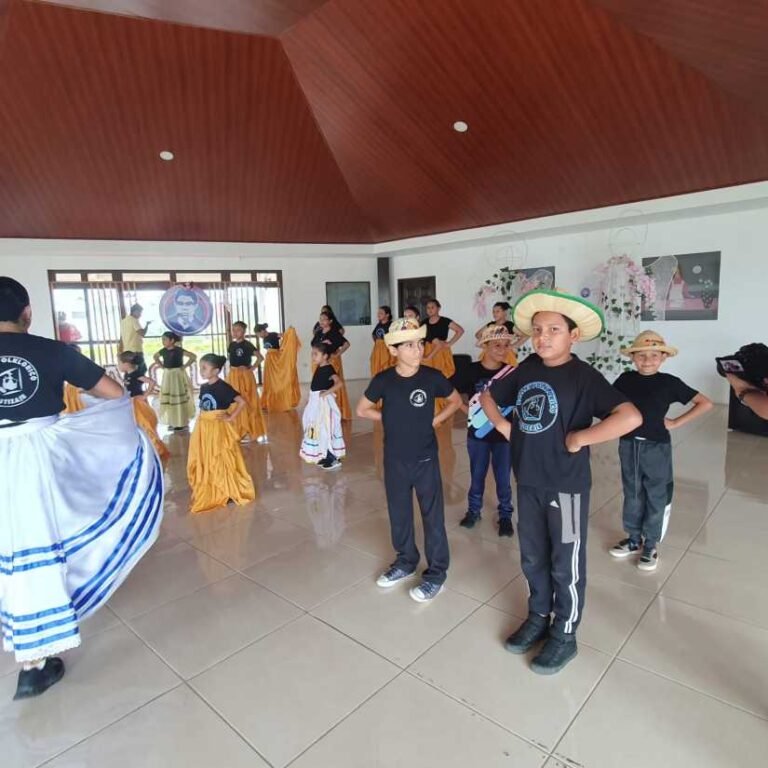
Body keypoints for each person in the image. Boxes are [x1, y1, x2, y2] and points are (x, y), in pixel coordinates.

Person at [0, 277, 163, 700]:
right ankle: (35, 661)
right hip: (40, 461)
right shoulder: (53, 351)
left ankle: (26, 647)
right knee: (42, 543)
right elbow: (113, 394)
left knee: (10, 549)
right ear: (27, 313)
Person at [480, 288, 642, 674]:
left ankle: (565, 633)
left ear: (574, 335)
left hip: (566, 487)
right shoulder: (525, 370)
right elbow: (488, 395)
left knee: (564, 562)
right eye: (537, 329)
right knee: (533, 554)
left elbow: (630, 416)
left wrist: (583, 437)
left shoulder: (584, 377)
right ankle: (539, 615)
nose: (543, 337)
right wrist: (504, 425)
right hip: (529, 480)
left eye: (554, 329)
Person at [356, 317, 462, 603]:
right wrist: (388, 418)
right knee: (399, 513)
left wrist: (436, 420)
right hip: (394, 460)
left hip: (425, 459)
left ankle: (437, 573)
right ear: (393, 351)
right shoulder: (384, 380)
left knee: (432, 516)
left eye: (419, 344)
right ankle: (405, 561)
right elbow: (362, 409)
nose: (417, 350)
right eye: (409, 345)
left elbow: (455, 400)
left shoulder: (431, 376)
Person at [609, 331, 713, 571]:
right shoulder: (625, 380)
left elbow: (705, 403)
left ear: (663, 358)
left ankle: (651, 544)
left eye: (654, 355)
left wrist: (676, 423)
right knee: (632, 493)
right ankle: (634, 539)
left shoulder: (669, 383)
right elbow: (610, 404)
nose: (647, 360)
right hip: (628, 445)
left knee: (656, 495)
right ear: (633, 358)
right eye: (641, 355)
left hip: (657, 448)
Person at [459, 325, 516, 537]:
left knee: (503, 477)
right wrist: (466, 410)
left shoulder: (512, 373)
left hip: (504, 435)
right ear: (485, 346)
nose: (502, 349)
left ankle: (505, 515)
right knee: (477, 474)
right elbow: (450, 391)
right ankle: (474, 511)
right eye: (497, 345)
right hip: (478, 434)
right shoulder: (470, 370)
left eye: (506, 345)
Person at [187, 354, 256, 514]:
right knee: (208, 456)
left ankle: (228, 488)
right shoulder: (204, 387)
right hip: (204, 427)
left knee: (222, 457)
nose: (201, 371)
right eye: (200, 367)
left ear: (216, 370)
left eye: (204, 368)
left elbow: (242, 402)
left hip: (218, 428)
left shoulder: (223, 387)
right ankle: (212, 483)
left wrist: (231, 417)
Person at [117, 351, 170, 469]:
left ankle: (153, 447)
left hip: (138, 404)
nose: (118, 365)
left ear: (126, 364)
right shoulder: (127, 374)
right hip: (130, 403)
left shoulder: (136, 374)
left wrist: (145, 395)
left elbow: (152, 382)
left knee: (144, 425)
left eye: (119, 363)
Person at [300, 341, 346, 470]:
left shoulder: (328, 368)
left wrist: (325, 393)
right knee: (316, 427)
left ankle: (332, 458)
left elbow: (339, 383)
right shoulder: (320, 367)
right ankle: (325, 454)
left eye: (316, 354)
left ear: (325, 356)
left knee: (326, 428)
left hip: (324, 403)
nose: (313, 357)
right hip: (316, 401)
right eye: (312, 354)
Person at [421, 298, 464, 413]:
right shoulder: (424, 322)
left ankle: (445, 401)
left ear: (438, 308)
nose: (430, 310)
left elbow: (460, 330)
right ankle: (432, 403)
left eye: (432, 307)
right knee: (428, 376)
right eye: (428, 308)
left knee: (441, 375)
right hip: (428, 350)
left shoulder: (445, 321)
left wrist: (450, 343)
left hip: (441, 351)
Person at [226, 321, 266, 443]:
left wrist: (251, 368)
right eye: (233, 330)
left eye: (238, 330)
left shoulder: (248, 345)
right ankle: (236, 429)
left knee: (247, 400)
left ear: (243, 332)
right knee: (233, 402)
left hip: (245, 377)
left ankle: (247, 430)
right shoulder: (231, 345)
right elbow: (229, 359)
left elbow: (260, 358)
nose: (235, 332)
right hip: (233, 376)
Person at [152, 331, 196, 431]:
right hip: (168, 375)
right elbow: (155, 356)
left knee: (179, 398)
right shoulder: (163, 350)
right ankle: (173, 421)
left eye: (165, 339)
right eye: (162, 339)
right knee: (170, 399)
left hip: (177, 375)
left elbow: (193, 356)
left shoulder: (179, 350)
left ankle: (182, 422)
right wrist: (161, 366)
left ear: (172, 340)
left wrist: (185, 366)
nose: (163, 341)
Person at [313, 311, 352, 420]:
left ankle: (336, 411)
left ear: (330, 321)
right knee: (320, 385)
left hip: (330, 362)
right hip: (320, 362)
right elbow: (314, 345)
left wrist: (338, 353)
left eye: (324, 319)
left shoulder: (334, 333)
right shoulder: (319, 332)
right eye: (320, 319)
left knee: (331, 385)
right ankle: (323, 410)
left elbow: (346, 344)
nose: (321, 321)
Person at [261, 326, 302, 412]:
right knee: (270, 380)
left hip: (276, 358)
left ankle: (282, 401)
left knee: (278, 379)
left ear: (262, 331)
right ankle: (269, 401)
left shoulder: (274, 334)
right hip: (269, 360)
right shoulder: (264, 338)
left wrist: (290, 333)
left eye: (258, 334)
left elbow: (285, 336)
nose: (259, 336)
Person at [474, 301, 524, 366]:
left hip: (505, 354)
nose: (495, 314)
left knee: (504, 372)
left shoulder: (509, 325)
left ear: (504, 312)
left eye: (497, 311)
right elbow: (477, 334)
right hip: (491, 354)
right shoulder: (491, 324)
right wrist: (486, 344)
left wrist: (513, 345)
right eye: (493, 312)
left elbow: (525, 335)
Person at [120, 303, 151, 376]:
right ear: (135, 311)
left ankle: (129, 386)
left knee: (130, 372)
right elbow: (142, 333)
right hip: (135, 351)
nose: (140, 315)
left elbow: (122, 337)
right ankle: (137, 387)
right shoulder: (134, 320)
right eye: (140, 312)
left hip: (126, 352)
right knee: (140, 372)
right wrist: (147, 325)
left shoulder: (123, 321)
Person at [370, 305, 394, 377]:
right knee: (376, 366)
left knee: (385, 367)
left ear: (387, 315)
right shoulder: (379, 324)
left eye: (381, 313)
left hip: (386, 350)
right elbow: (374, 334)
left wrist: (384, 344)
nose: (378, 314)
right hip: (377, 349)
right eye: (378, 313)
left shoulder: (391, 325)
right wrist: (378, 343)